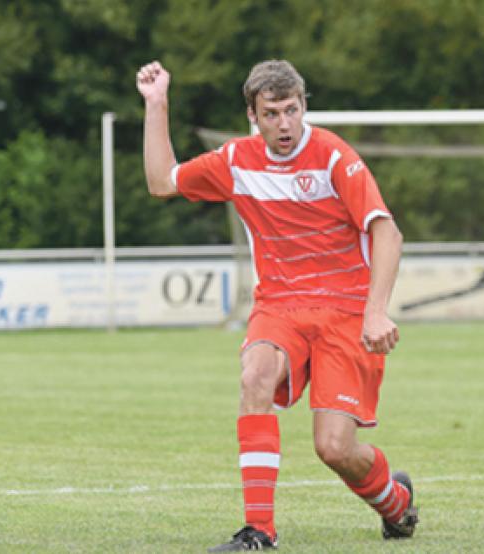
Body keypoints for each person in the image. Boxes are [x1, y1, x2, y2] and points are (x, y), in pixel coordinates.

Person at [136, 59, 417, 551]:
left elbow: (386, 230)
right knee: (254, 377)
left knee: (333, 448)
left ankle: (395, 502)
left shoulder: (333, 156)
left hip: (346, 311)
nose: (284, 124)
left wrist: (376, 311)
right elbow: (162, 182)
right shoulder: (236, 161)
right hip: (279, 306)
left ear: (304, 106)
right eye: (271, 114)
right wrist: (157, 104)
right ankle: (259, 531)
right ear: (252, 114)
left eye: (292, 110)